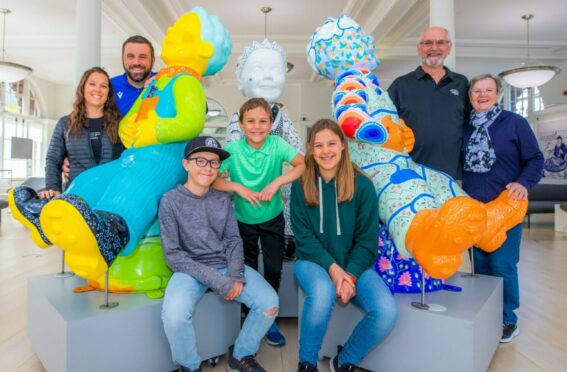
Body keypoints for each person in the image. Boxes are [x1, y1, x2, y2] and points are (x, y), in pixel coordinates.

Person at [160, 136, 278, 372]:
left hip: (225, 265)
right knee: (174, 315)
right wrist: (219, 282)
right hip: (189, 269)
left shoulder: (222, 199)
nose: (208, 168)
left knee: (269, 302)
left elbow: (234, 240)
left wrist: (234, 276)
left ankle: (241, 354)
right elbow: (173, 255)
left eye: (214, 163)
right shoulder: (170, 201)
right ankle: (189, 366)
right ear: (186, 164)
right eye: (201, 161)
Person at [291, 119, 396, 372]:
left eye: (331, 144)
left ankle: (344, 360)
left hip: (355, 264)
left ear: (342, 146)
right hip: (311, 260)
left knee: (385, 311)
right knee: (323, 291)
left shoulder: (363, 186)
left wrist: (349, 274)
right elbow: (304, 237)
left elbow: (367, 241)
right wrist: (334, 269)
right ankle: (307, 362)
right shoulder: (300, 184)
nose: (325, 151)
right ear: (311, 149)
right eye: (318, 145)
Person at [214, 97, 305, 347]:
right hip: (243, 222)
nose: (257, 126)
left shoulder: (277, 144)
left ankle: (270, 316)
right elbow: (213, 179)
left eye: (263, 121)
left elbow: (302, 165)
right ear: (241, 125)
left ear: (270, 124)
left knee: (274, 269)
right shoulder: (232, 150)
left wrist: (277, 182)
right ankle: (251, 313)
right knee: (249, 271)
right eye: (251, 121)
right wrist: (236, 188)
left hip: (273, 219)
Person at [462, 74, 544, 343]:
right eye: (477, 91)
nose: (482, 95)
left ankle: (508, 319)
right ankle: (487, 316)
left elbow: (535, 158)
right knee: (481, 265)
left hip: (506, 208)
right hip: (475, 209)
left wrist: (524, 183)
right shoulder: (466, 127)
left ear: (498, 94)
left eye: (488, 90)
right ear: (470, 95)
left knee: (502, 263)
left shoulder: (515, 123)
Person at [8, 66, 123, 247]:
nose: (98, 90)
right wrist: (53, 187)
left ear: (109, 93)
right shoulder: (65, 124)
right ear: (83, 89)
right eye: (92, 84)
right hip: (77, 194)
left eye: (103, 86)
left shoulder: (119, 124)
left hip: (108, 195)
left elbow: (126, 159)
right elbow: (53, 159)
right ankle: (45, 225)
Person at [227, 39, 305, 259]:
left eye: (274, 70)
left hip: (276, 190)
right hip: (246, 195)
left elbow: (299, 152)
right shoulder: (237, 122)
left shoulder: (283, 118)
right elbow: (230, 161)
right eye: (258, 70)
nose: (268, 77)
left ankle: (289, 235)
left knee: (296, 189)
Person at [388, 26, 470, 179]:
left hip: (454, 176)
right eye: (427, 43)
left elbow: (473, 123)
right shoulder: (401, 85)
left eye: (440, 42)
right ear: (419, 49)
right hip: (412, 176)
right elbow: (385, 124)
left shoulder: (462, 83)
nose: (434, 48)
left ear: (449, 48)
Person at [111, 35, 157, 115]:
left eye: (142, 57)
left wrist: (162, 79)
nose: (136, 62)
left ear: (152, 61)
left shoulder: (165, 82)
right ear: (122, 59)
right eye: (130, 56)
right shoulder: (110, 86)